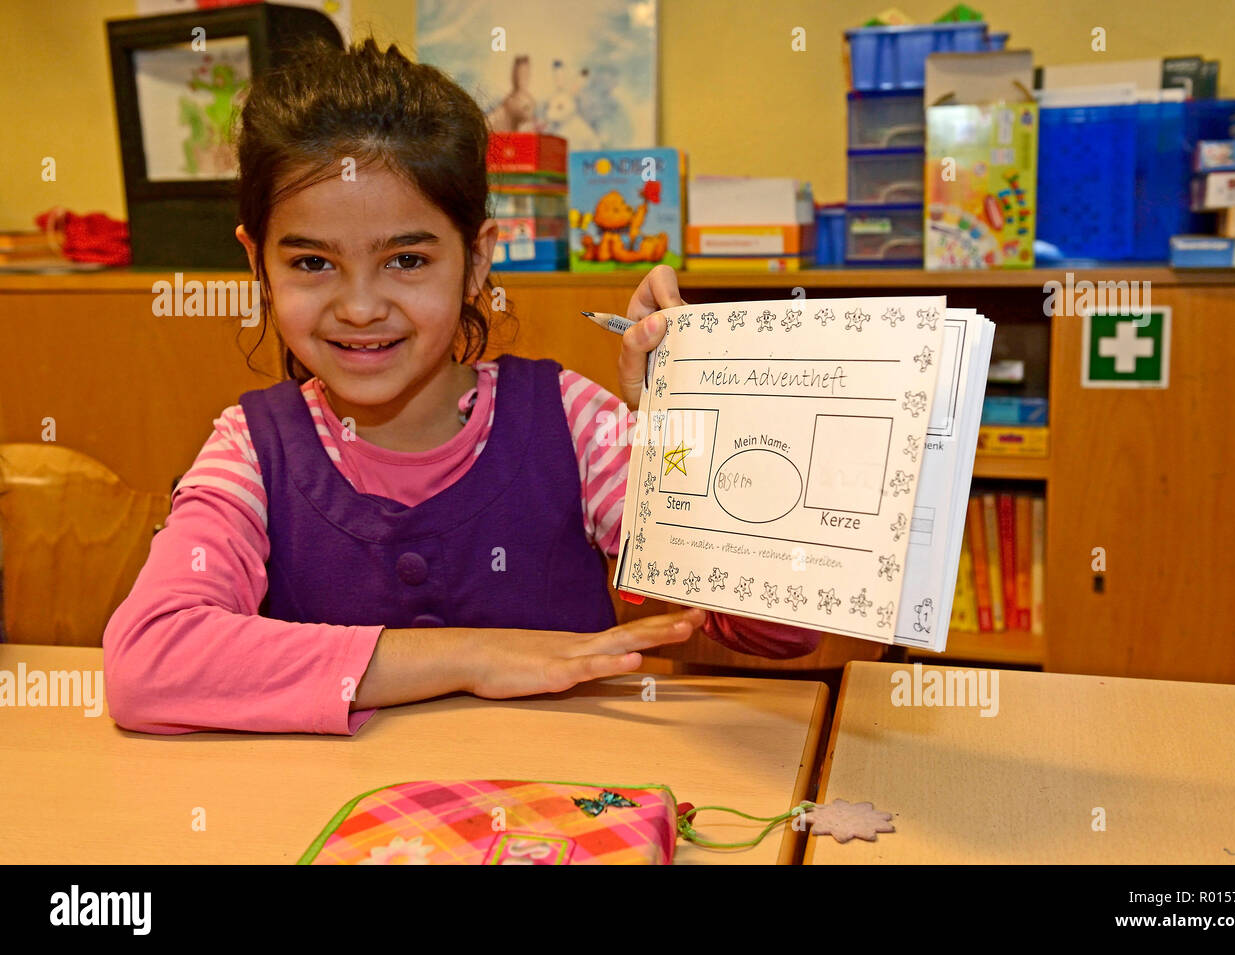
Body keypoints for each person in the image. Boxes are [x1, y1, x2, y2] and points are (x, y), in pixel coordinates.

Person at [103, 37, 820, 736]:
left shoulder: (572, 421)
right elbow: (148, 662)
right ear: (257, 261)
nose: (359, 307)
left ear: (477, 259)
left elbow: (783, 624)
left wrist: (688, 428)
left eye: (407, 258)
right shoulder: (250, 451)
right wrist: (475, 653)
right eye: (313, 263)